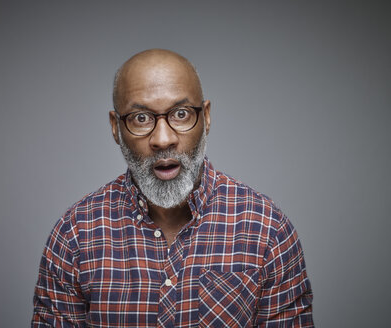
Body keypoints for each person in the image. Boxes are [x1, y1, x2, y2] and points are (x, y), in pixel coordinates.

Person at [32, 49, 314, 327]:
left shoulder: (267, 230)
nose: (163, 139)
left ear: (206, 117)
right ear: (116, 128)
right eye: (140, 118)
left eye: (180, 114)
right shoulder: (75, 236)